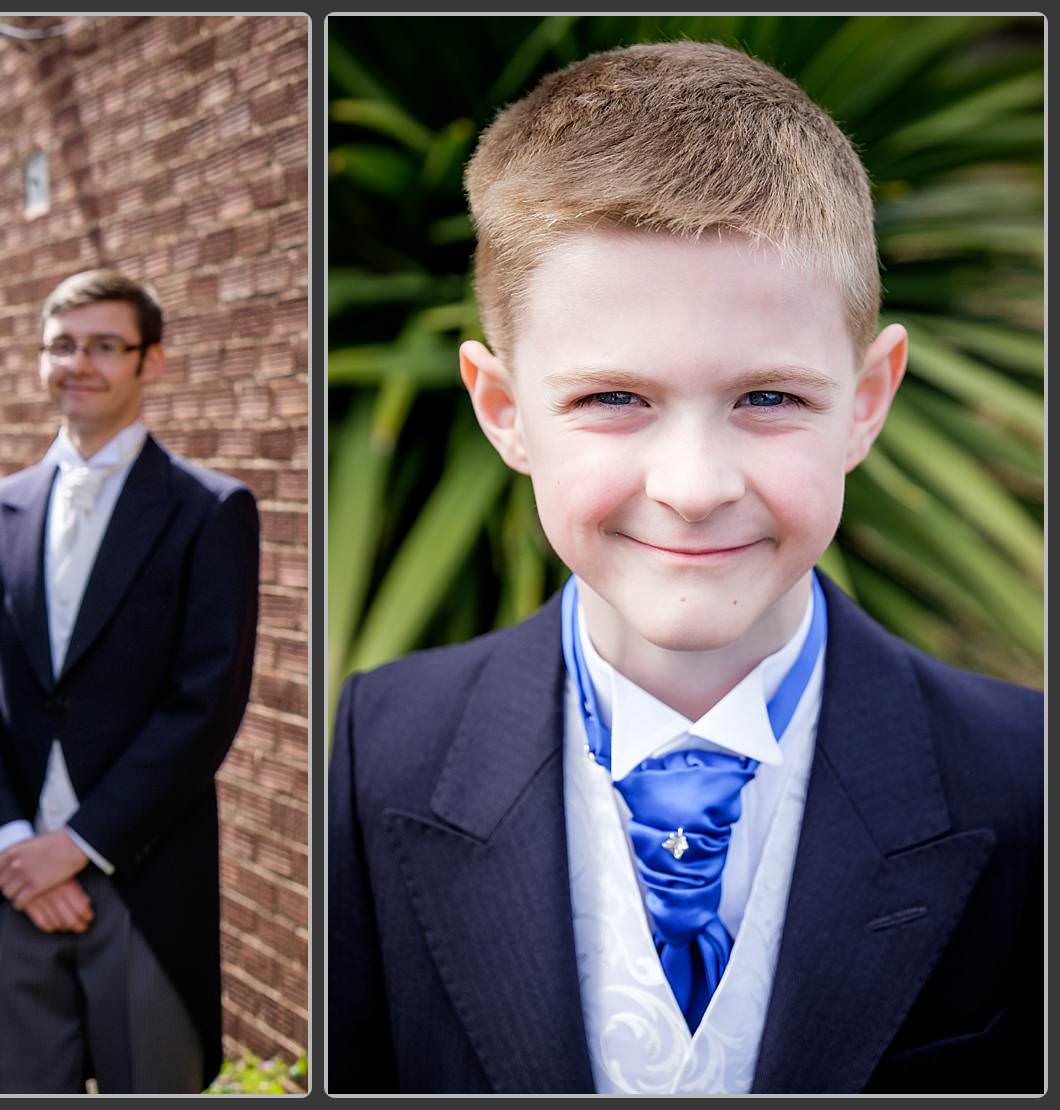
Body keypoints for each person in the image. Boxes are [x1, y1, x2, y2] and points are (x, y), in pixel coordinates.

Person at [326, 42, 1043, 1094]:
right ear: (504, 409)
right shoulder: (375, 750)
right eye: (615, 398)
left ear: (867, 399)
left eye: (769, 398)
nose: (695, 484)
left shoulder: (1027, 777)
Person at [0, 268, 260, 1092]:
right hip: (15, 886)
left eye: (104, 347)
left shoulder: (210, 509)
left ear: (149, 361)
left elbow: (205, 705)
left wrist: (78, 848)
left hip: (144, 883)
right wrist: (13, 843)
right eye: (62, 345)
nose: (78, 364)